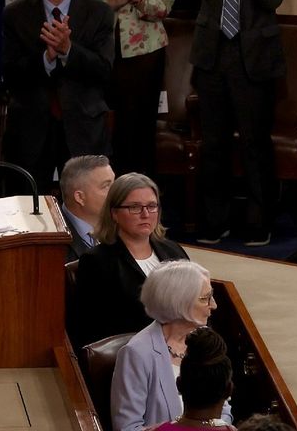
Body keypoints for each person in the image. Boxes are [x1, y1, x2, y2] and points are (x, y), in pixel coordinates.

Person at [185, 0, 292, 246]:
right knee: (213, 143)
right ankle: (215, 220)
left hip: (253, 57)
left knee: (253, 142)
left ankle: (258, 220)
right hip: (212, 53)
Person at [3, 0, 115, 192]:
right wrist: (47, 58)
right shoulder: (15, 14)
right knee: (28, 204)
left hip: (83, 125)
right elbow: (10, 73)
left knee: (87, 204)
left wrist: (68, 50)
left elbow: (104, 70)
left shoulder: (99, 13)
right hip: (31, 125)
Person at [77, 0, 174, 175]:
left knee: (139, 127)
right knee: (104, 126)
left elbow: (165, 5)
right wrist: (113, 4)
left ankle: (140, 193)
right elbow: (85, 7)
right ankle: (105, 190)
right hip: (103, 52)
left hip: (144, 54)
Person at [70, 173, 189, 347]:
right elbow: (94, 329)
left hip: (184, 347)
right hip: (133, 353)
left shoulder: (173, 250)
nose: (145, 214)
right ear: (114, 214)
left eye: (152, 206)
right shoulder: (97, 261)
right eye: (134, 207)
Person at [112, 263, 235, 431]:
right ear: (179, 303)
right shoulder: (137, 353)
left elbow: (223, 408)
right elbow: (127, 428)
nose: (213, 305)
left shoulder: (206, 340)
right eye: (205, 298)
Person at [59, 154, 115, 261]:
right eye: (106, 186)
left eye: (114, 183)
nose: (116, 191)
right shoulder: (52, 244)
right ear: (80, 197)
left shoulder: (121, 227)